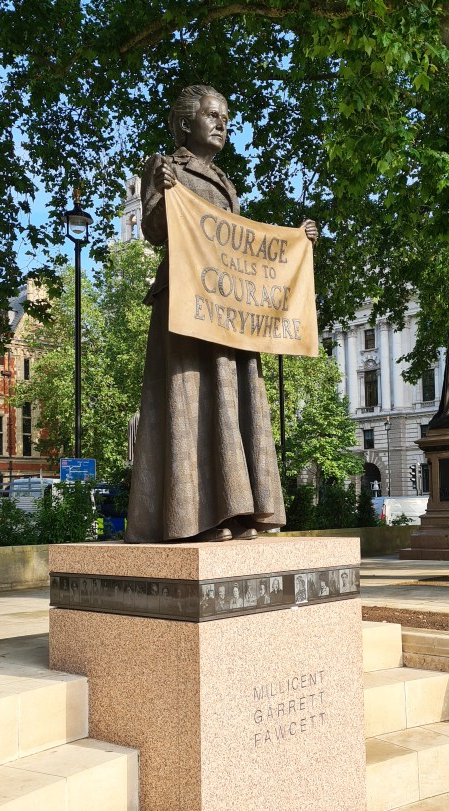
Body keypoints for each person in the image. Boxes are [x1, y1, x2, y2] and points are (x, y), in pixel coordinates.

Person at [125, 84, 318, 543]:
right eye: (212, 116)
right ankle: (191, 520)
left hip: (228, 310)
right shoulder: (165, 166)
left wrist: (296, 242)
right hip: (187, 303)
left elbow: (242, 248)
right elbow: (154, 230)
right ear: (184, 123)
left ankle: (237, 511)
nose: (221, 124)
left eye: (225, 118)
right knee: (190, 403)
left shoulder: (227, 183)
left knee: (232, 404)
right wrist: (164, 194)